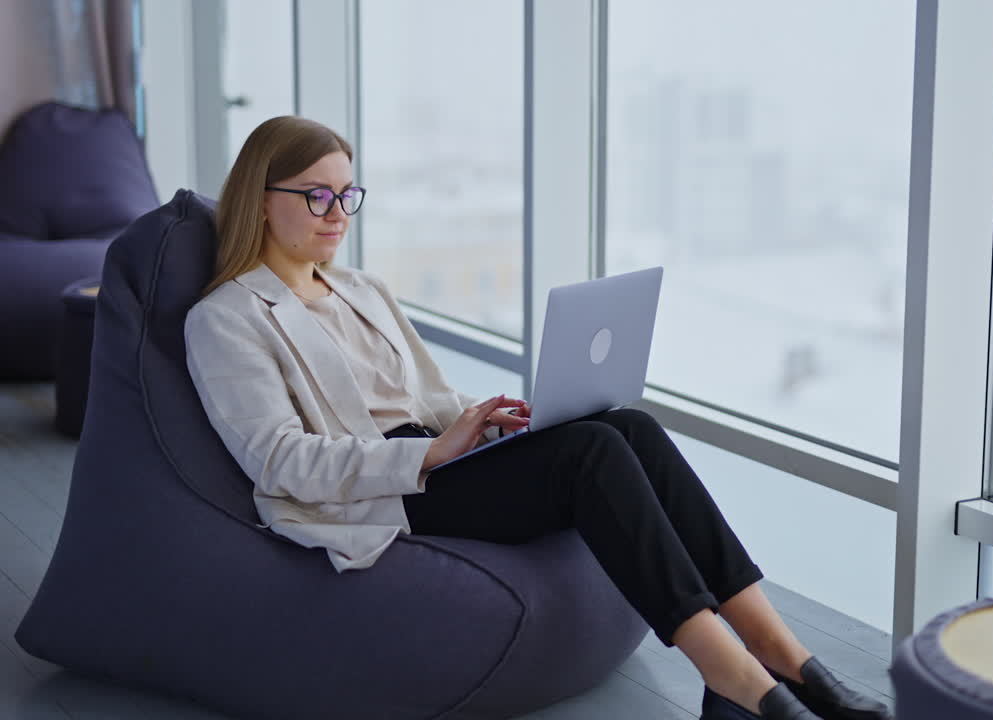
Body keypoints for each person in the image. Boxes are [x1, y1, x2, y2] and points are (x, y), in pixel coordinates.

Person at [184, 116, 891, 720]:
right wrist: (431, 456)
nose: (337, 211)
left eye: (347, 193)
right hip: (380, 493)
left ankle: (783, 654)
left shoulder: (361, 289)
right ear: (261, 198)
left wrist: (484, 421)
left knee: (628, 427)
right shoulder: (227, 318)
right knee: (589, 456)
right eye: (316, 194)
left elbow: (429, 399)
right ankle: (733, 679)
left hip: (438, 458)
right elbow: (277, 460)